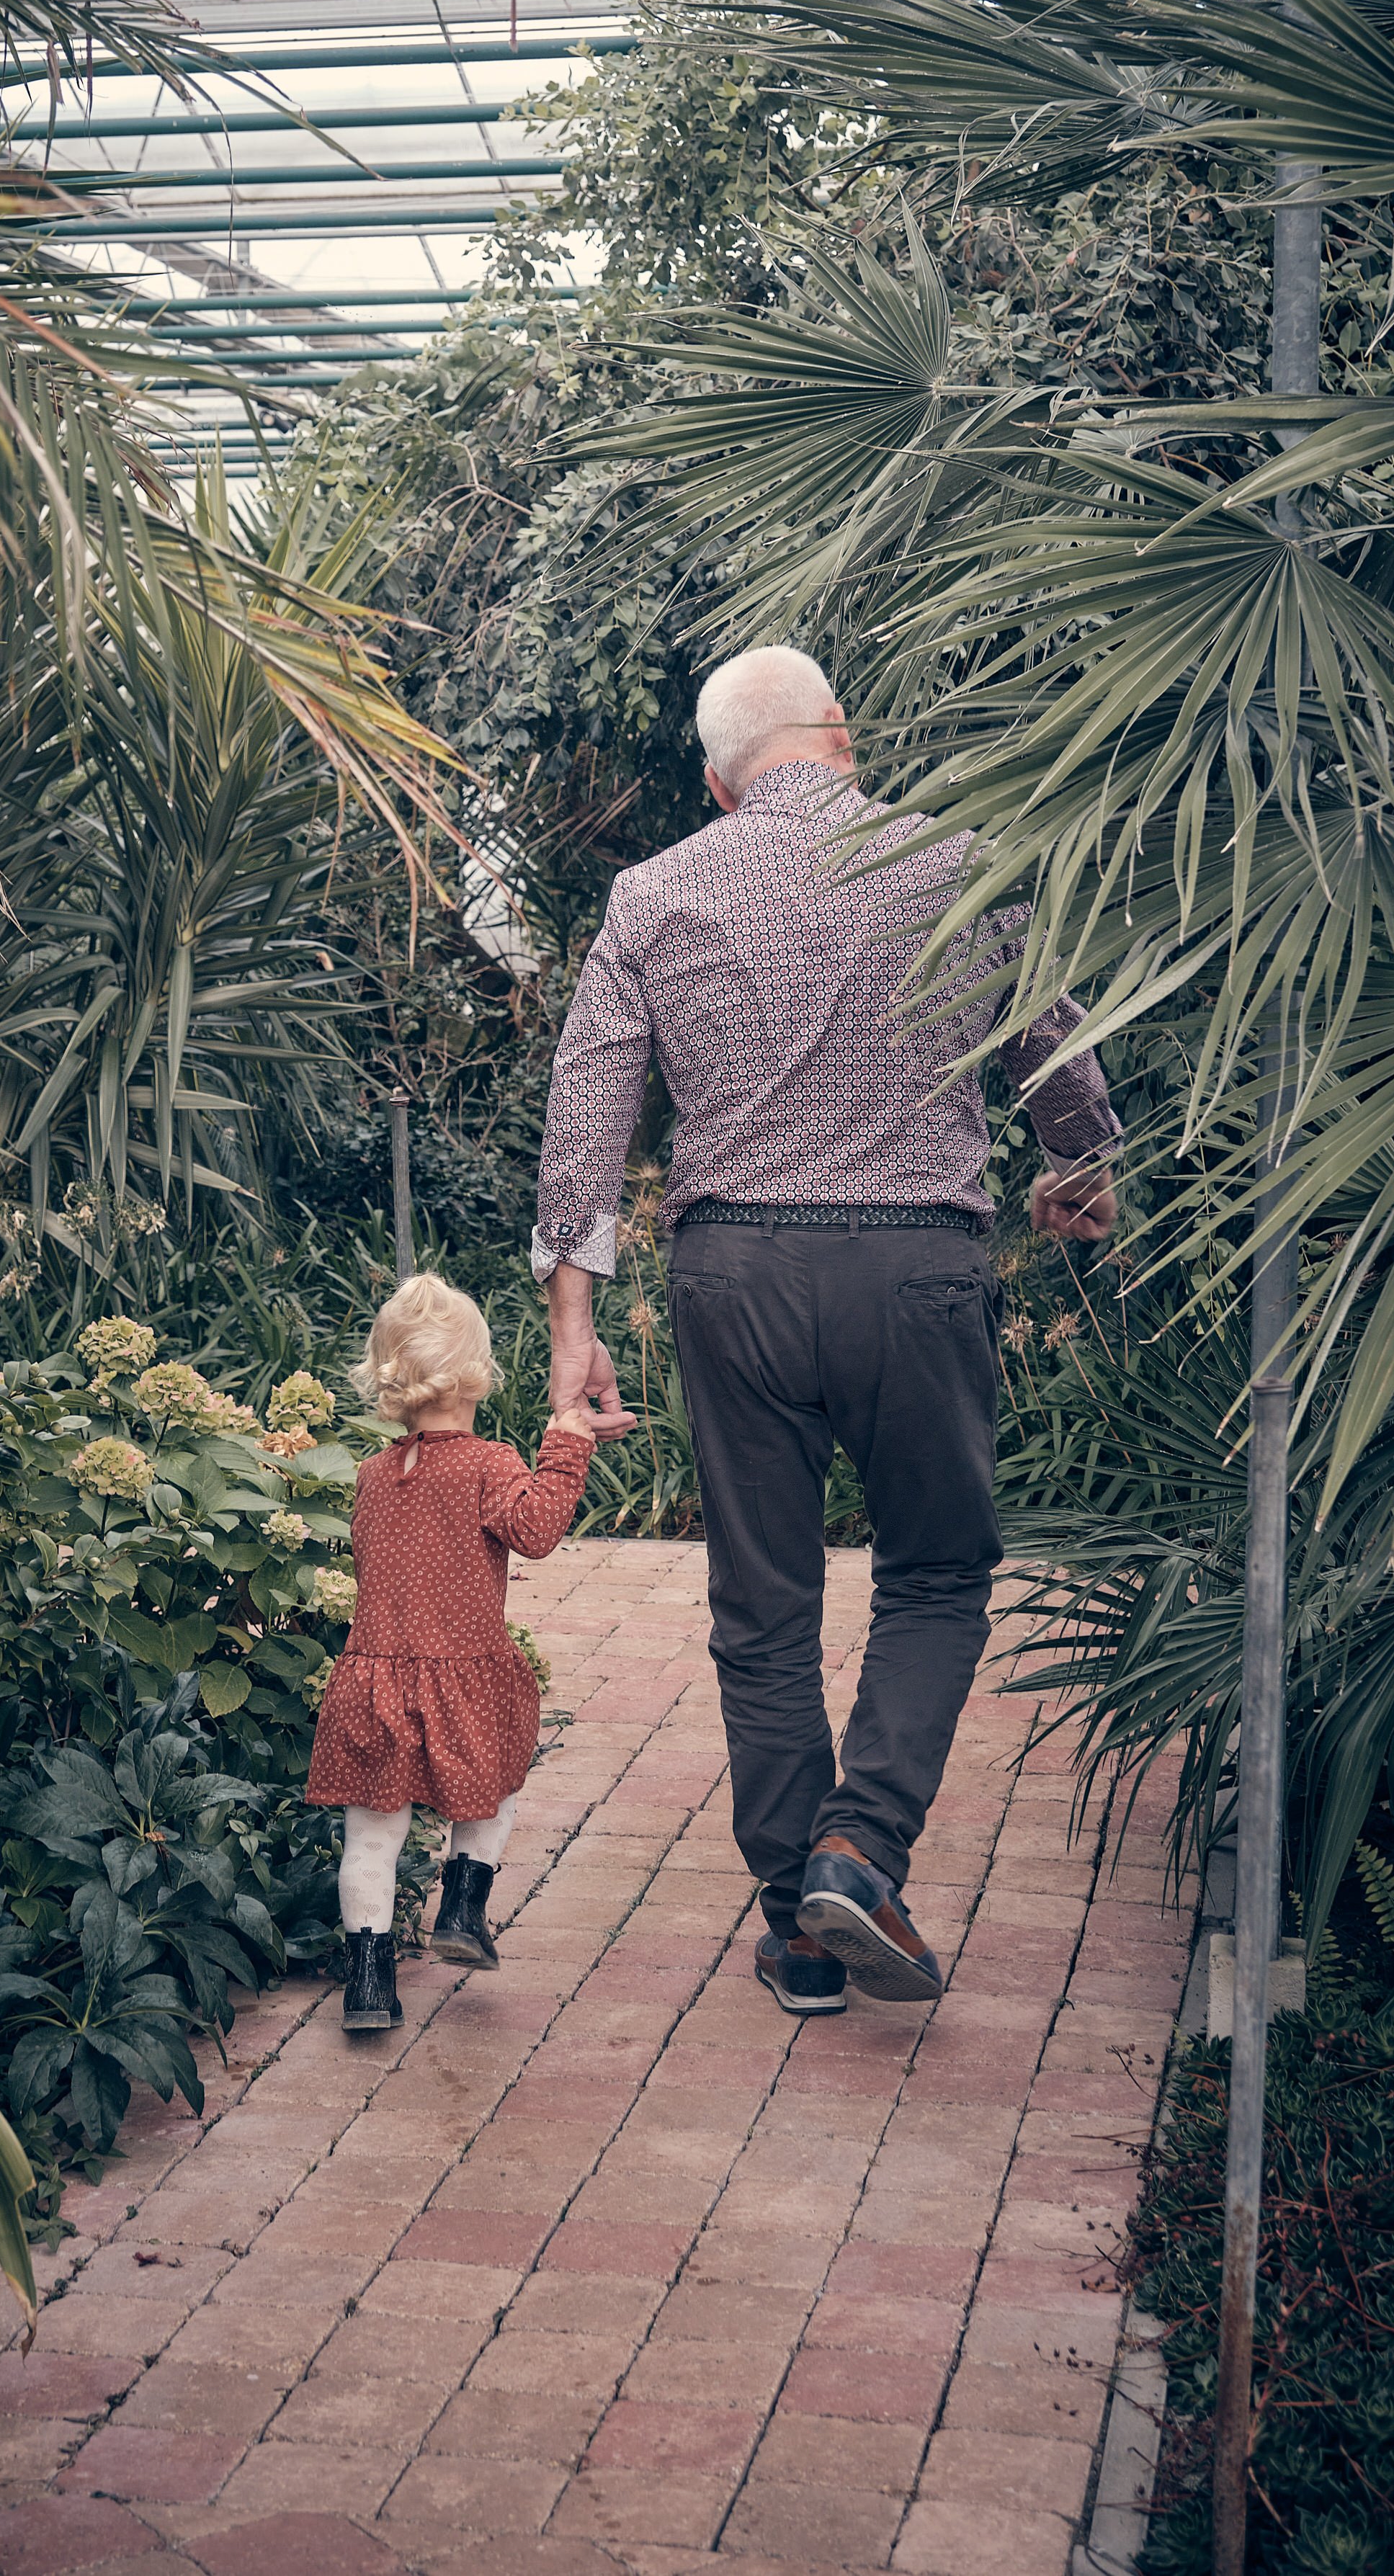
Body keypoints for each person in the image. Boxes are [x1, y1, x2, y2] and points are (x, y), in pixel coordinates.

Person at [533, 645, 1119, 2018]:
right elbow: (1064, 1062)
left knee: (765, 1603)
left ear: (719, 783)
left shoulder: (658, 888)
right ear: (842, 739)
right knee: (933, 1574)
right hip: (919, 1269)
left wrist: (574, 1325)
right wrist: (1078, 1168)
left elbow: (584, 1122)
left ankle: (798, 1927)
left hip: (730, 1272)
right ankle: (859, 1850)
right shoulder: (958, 862)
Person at [307, 1271, 598, 2032]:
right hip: (464, 1673)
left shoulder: (373, 1475)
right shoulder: (488, 1462)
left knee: (371, 1837)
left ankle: (368, 1987)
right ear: (476, 1372)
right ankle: (462, 1912)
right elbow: (535, 1533)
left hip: (374, 1677)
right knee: (494, 1783)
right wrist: (567, 1447)